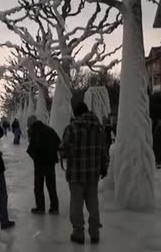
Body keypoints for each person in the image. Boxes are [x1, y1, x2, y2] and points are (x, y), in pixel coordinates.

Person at [59, 102, 109, 245]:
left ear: (76, 113)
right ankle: (95, 233)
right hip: (93, 174)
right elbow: (103, 151)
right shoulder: (99, 128)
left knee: (76, 205)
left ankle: (78, 233)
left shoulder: (71, 128)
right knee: (93, 205)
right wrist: (104, 167)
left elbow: (63, 151)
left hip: (76, 174)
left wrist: (65, 152)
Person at [26, 115, 61, 215]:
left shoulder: (34, 131)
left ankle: (40, 208)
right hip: (50, 162)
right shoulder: (49, 129)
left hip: (40, 163)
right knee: (51, 186)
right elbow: (58, 142)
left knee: (38, 186)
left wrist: (34, 156)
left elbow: (33, 147)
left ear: (31, 124)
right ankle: (54, 208)